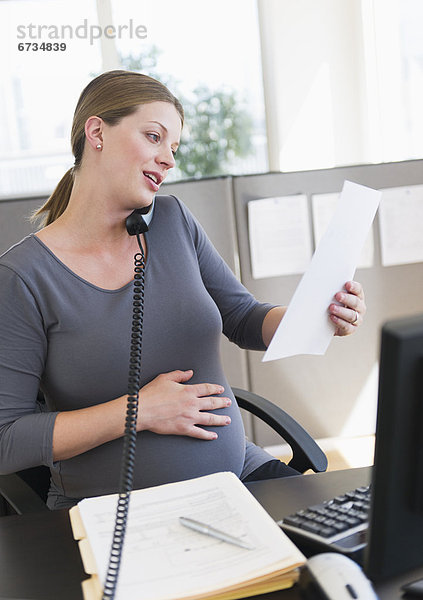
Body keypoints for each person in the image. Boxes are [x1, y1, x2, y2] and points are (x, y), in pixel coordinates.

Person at [0, 70, 366, 510]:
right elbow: (7, 440)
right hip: (116, 510)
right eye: (154, 137)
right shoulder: (22, 277)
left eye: (173, 148)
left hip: (239, 477)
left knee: (352, 551)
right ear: (95, 132)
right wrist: (139, 411)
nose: (169, 160)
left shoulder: (172, 221)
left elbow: (243, 318)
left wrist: (314, 314)